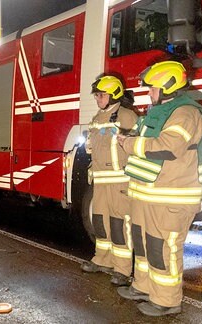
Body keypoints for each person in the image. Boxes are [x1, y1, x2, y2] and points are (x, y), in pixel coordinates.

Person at [117, 61, 202, 316]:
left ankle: (167, 300)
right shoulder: (163, 110)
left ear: (167, 87)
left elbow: (168, 146)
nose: (149, 93)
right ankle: (144, 287)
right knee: (145, 245)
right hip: (149, 194)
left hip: (171, 196)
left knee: (163, 248)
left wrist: (131, 144)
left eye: (152, 88)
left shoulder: (186, 113)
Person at [81, 76, 138, 287]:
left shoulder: (127, 116)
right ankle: (102, 259)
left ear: (114, 94)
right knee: (100, 222)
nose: (97, 99)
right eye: (96, 95)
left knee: (119, 224)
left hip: (120, 180)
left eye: (101, 95)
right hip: (100, 181)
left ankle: (122, 270)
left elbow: (135, 147)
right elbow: (89, 145)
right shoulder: (97, 118)